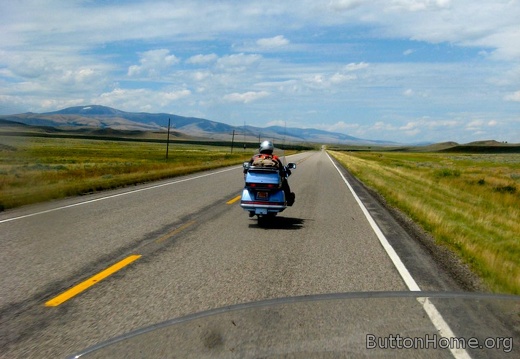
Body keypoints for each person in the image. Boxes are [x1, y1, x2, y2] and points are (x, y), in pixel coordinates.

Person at [245, 140, 295, 206]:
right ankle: (289, 199)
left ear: (261, 148)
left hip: (256, 181)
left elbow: (247, 168)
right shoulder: (275, 158)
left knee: (247, 185)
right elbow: (281, 168)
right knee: (284, 181)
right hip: (271, 182)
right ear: (271, 149)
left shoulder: (255, 157)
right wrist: (286, 171)